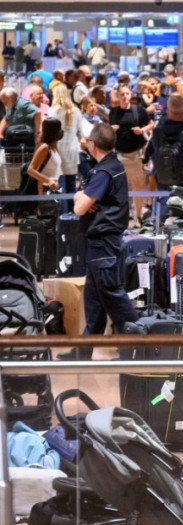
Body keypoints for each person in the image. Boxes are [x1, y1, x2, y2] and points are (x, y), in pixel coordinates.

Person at [59, 123, 138, 360]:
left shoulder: (104, 171)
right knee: (94, 300)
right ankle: (83, 352)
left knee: (111, 293)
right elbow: (81, 199)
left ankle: (140, 342)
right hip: (101, 243)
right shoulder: (113, 166)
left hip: (103, 241)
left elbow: (80, 207)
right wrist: (80, 195)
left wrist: (79, 197)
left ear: (92, 145)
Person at [110, 84, 154, 226]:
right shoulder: (114, 112)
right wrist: (111, 129)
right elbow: (108, 129)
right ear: (118, 96)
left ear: (131, 94)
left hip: (135, 154)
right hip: (119, 155)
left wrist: (142, 131)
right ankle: (125, 215)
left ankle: (138, 215)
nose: (125, 96)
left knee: (137, 186)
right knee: (120, 186)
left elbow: (151, 124)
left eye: (127, 93)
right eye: (122, 94)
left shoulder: (138, 110)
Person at [48, 84, 81, 213]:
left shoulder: (53, 110)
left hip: (58, 150)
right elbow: (79, 130)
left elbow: (50, 131)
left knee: (61, 186)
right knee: (72, 185)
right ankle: (74, 216)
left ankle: (64, 218)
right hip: (72, 150)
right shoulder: (75, 110)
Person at [25, 118, 62, 194]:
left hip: (54, 188)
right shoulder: (44, 148)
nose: (61, 131)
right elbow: (30, 169)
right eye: (59, 128)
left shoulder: (53, 147)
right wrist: (48, 180)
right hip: (45, 190)